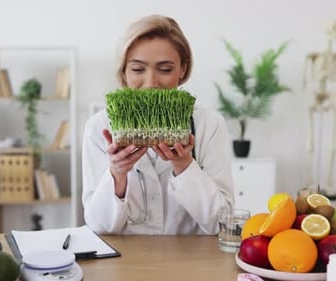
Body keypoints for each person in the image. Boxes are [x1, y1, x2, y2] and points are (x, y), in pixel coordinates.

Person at [82, 14, 234, 235]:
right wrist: (117, 173)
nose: (151, 83)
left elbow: (222, 225)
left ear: (182, 69)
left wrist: (184, 166)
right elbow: (99, 227)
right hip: (124, 264)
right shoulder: (99, 127)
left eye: (165, 70)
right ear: (123, 71)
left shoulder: (209, 125)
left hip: (191, 264)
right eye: (137, 69)